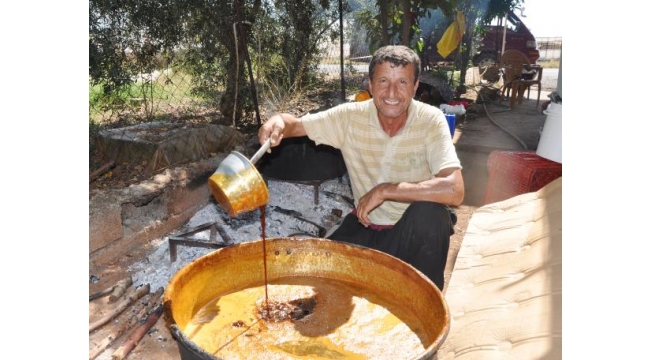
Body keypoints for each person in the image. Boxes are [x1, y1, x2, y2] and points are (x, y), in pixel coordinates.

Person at [258, 45, 464, 290]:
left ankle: (428, 313)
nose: (392, 92)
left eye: (402, 82)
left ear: (416, 86)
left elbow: (455, 189)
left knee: (432, 215)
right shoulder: (350, 116)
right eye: (383, 81)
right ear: (370, 84)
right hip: (366, 227)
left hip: (412, 234)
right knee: (322, 283)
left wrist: (386, 190)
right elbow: (296, 126)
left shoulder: (431, 119)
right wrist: (279, 120)